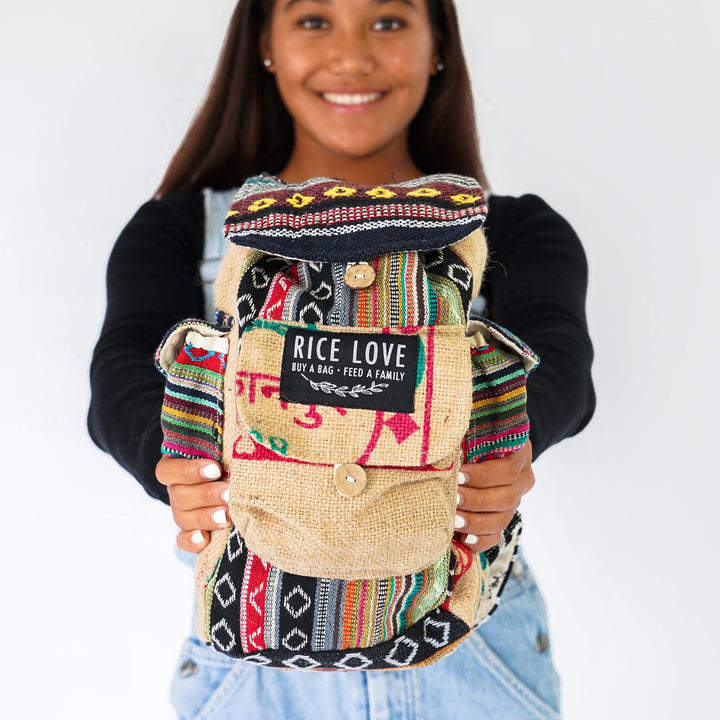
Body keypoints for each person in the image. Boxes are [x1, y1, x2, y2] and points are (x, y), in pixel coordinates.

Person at [88, 1, 595, 718]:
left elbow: (561, 363)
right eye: (313, 20)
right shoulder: (180, 229)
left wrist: (511, 445)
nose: (352, 56)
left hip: (472, 646)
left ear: (438, 47)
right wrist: (173, 463)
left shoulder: (512, 231)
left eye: (388, 22)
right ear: (264, 44)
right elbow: (121, 376)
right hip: (251, 657)